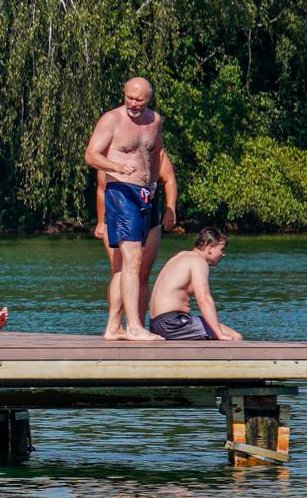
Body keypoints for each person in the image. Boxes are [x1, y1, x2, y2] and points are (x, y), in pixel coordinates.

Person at [84, 77, 169, 341]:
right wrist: (117, 167)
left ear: (148, 99)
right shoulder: (112, 120)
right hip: (120, 191)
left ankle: (113, 327)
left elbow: (156, 154)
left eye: (139, 100)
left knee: (125, 265)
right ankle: (134, 326)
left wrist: (153, 183)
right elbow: (90, 155)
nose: (133, 104)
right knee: (132, 260)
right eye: (129, 98)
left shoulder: (154, 121)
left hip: (144, 193)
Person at [92, 150, 179, 338]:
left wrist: (170, 208)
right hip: (117, 213)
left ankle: (137, 323)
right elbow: (101, 188)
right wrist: (100, 221)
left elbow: (169, 179)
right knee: (119, 269)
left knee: (142, 273)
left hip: (150, 214)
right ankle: (114, 324)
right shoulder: (112, 157)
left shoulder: (157, 154)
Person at [147, 228, 242, 341]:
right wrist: (219, 334)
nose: (223, 254)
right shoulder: (198, 261)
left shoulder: (181, 256)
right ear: (210, 247)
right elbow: (204, 299)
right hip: (172, 324)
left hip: (155, 324)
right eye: (221, 249)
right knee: (235, 337)